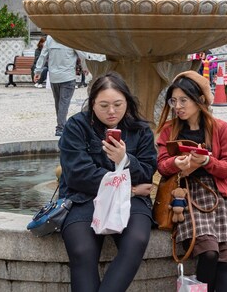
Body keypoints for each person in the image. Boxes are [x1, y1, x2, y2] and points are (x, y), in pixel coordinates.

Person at [156, 71, 227, 292]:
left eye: (184, 100)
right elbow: (162, 166)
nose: (178, 106)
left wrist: (206, 161)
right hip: (186, 197)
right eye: (174, 101)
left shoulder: (221, 128)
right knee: (210, 252)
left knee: (223, 261)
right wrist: (177, 162)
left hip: (218, 196)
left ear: (199, 100)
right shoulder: (169, 129)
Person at [58, 72, 157, 292]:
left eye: (117, 104)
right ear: (92, 103)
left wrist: (125, 160)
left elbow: (148, 172)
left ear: (127, 103)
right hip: (83, 199)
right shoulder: (76, 126)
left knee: (137, 240)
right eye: (103, 105)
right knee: (82, 250)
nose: (111, 111)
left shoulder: (140, 129)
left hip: (131, 204)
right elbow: (77, 174)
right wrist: (129, 189)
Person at [34, 35, 89, 136]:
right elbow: (82, 55)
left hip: (54, 77)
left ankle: (61, 125)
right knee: (64, 103)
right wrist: (85, 68)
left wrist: (37, 71)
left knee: (59, 103)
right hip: (68, 77)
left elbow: (43, 55)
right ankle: (60, 128)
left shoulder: (50, 38)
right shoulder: (71, 37)